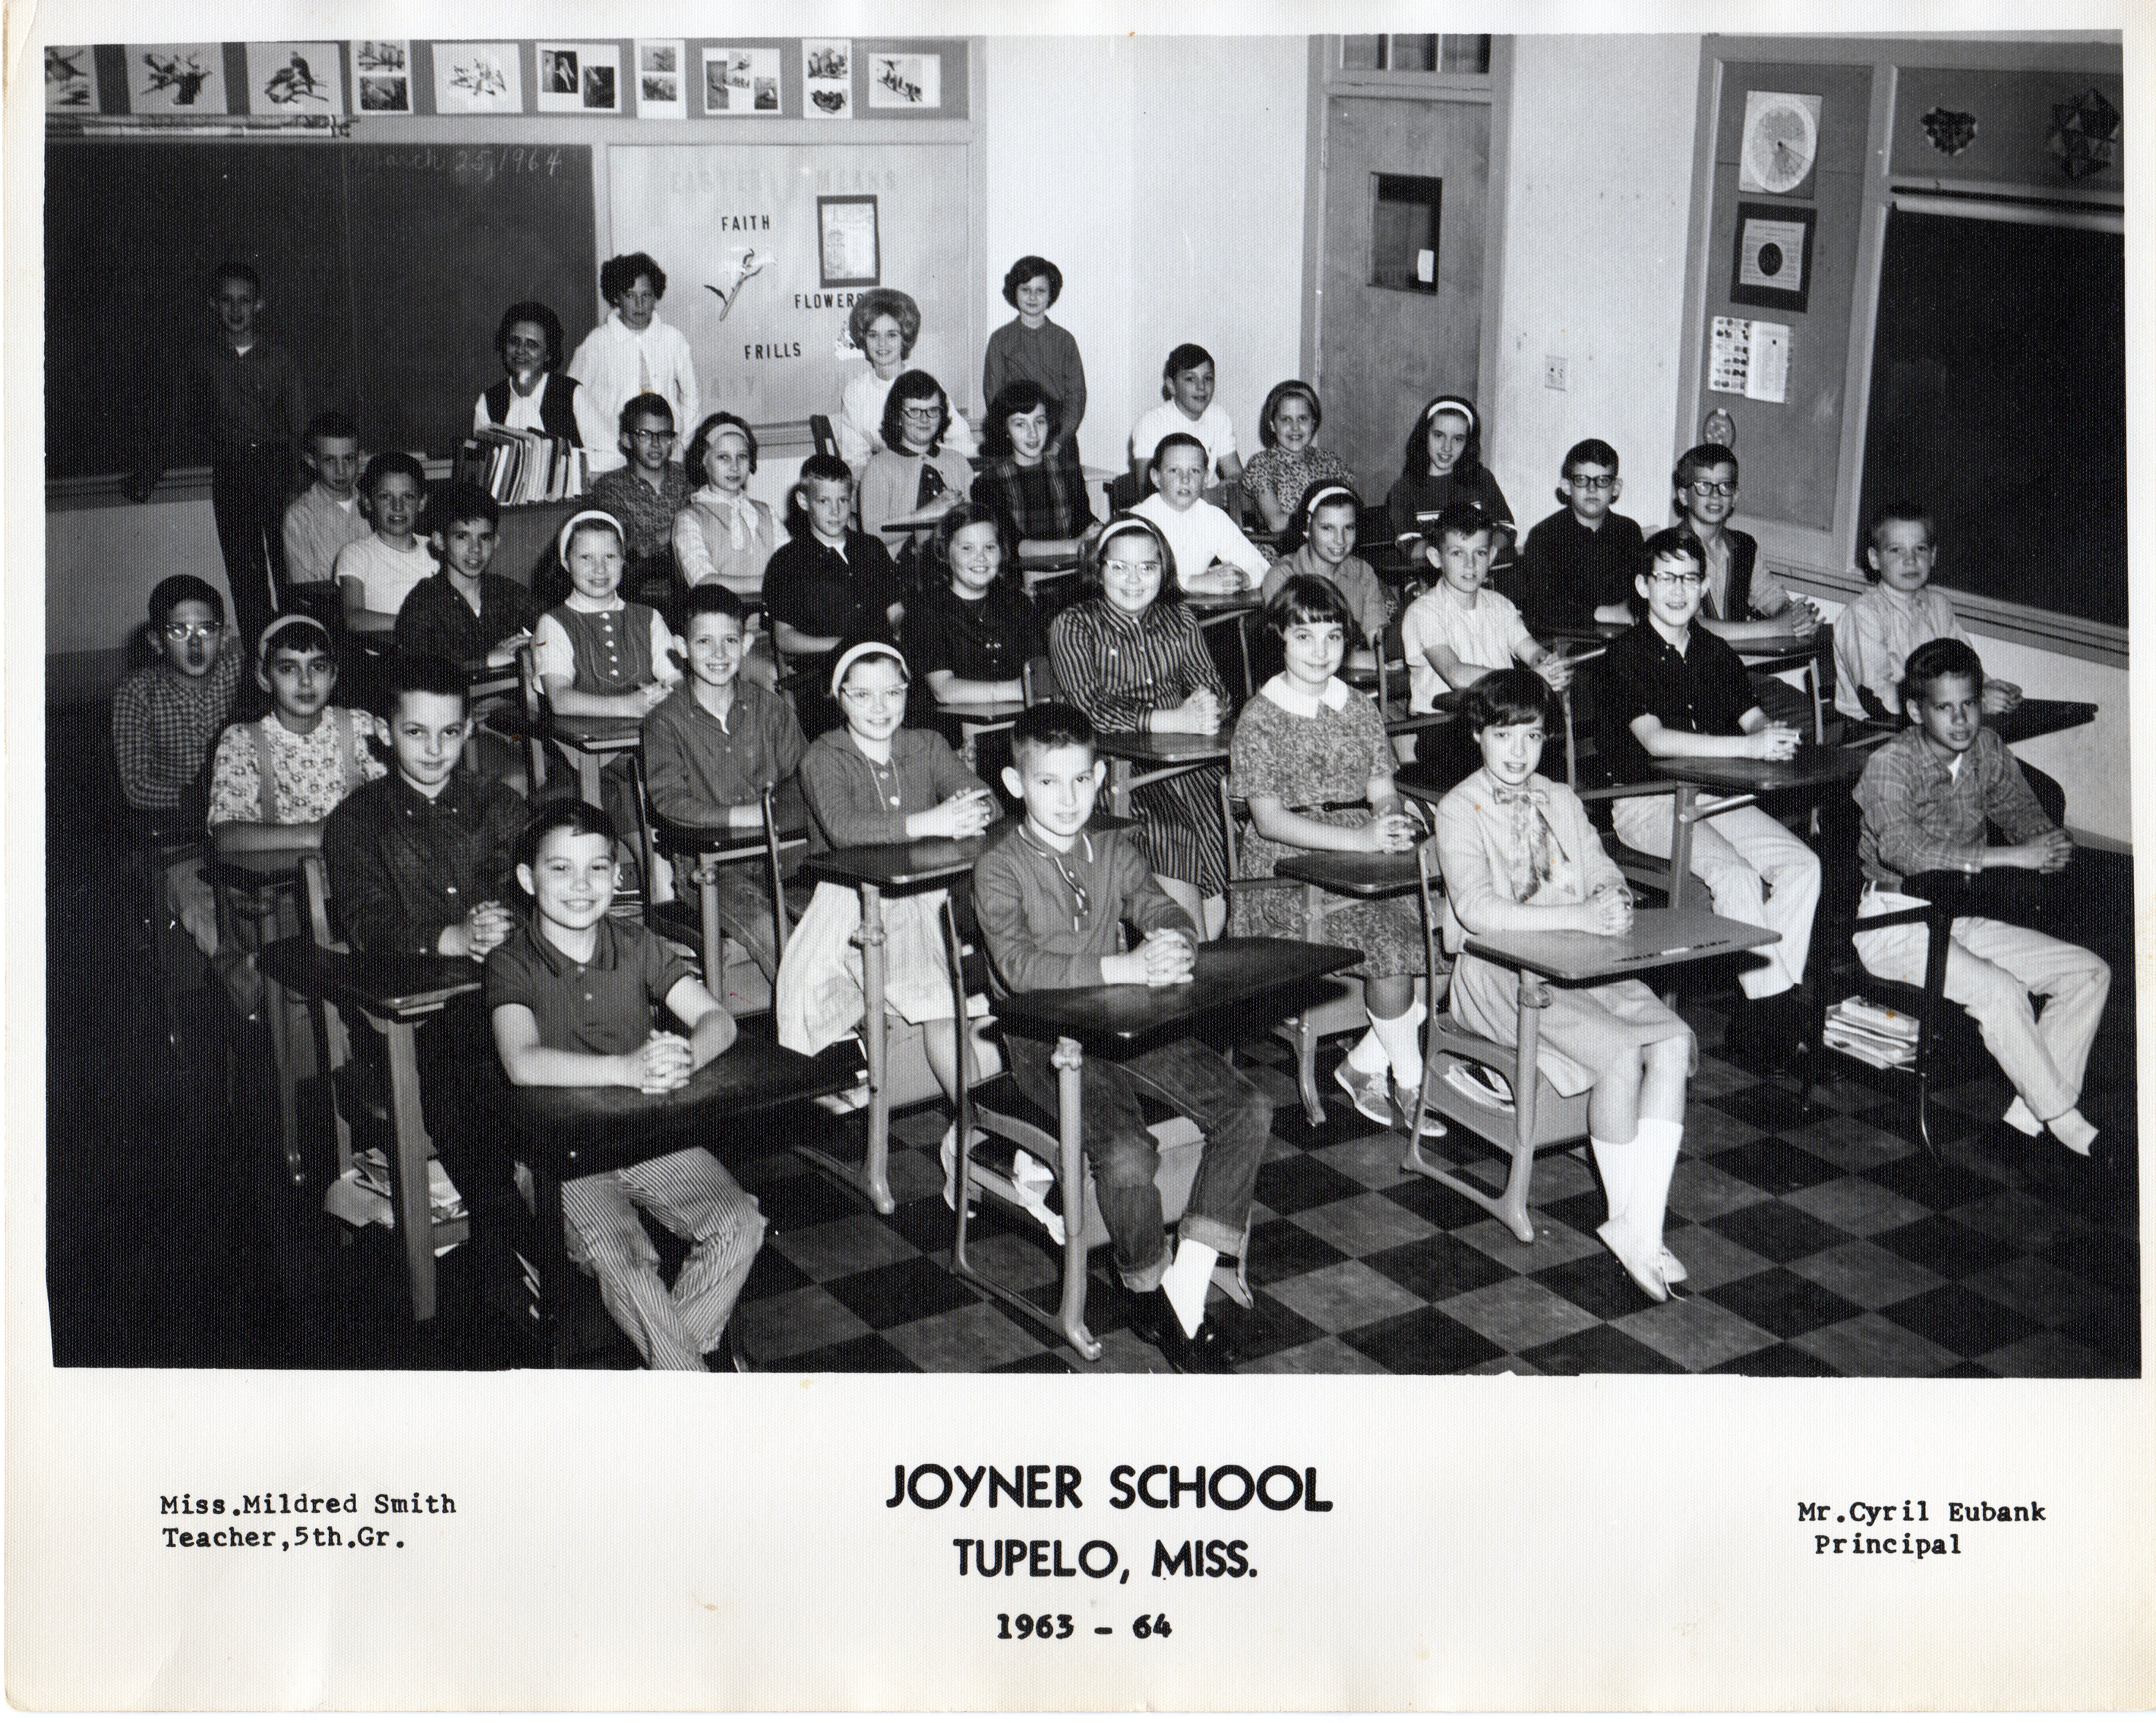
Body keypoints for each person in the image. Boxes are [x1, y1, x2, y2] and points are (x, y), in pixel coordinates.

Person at [974, 701, 1270, 1371]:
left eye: (1081, 780)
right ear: (1016, 784)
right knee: (1128, 1152)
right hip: (1042, 1039)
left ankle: (1182, 1287)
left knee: (1248, 1106)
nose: (1068, 798)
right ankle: (1142, 1281)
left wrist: (1171, 936)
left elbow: (1157, 902)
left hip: (1124, 1021)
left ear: (1101, 776)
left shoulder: (1111, 844)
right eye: (1048, 782)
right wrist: (1125, 965)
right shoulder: (998, 864)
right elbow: (1019, 970)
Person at [1436, 669, 1699, 1302]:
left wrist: (1609, 895)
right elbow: (1477, 910)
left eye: (1530, 735)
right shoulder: (1457, 807)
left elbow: (1600, 866)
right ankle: (1631, 1224)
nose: (1518, 751)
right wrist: (1577, 915)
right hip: (1500, 970)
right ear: (1478, 735)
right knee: (1616, 1052)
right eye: (1503, 735)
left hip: (1580, 958)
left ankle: (1640, 1223)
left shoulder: (1561, 798)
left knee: (1671, 1039)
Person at [486, 799, 765, 1371]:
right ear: (526, 878)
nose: (580, 885)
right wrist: (628, 1068)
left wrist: (686, 1054)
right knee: (622, 1255)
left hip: (645, 1134)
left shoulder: (637, 945)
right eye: (559, 868)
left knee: (740, 1222)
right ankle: (691, 1384)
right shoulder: (510, 962)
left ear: (618, 876)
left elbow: (720, 1020)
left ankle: (664, 1376)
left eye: (597, 868)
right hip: (557, 1154)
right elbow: (523, 1061)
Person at [1852, 638, 2107, 1160]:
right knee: (2000, 990)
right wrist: (2013, 857)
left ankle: (2025, 1123)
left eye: (1968, 704)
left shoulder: (1986, 748)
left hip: (1957, 918)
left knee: (2087, 972)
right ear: (1914, 710)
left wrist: (2049, 842)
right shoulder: (1889, 763)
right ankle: (2069, 1127)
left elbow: (2021, 812)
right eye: (1944, 708)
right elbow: (1907, 851)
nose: (1961, 720)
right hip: (1890, 923)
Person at [1599, 527, 1820, 1068]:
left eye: (1690, 578)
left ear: (1703, 588)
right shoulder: (1624, 655)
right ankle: (1774, 1020)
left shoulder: (1715, 651)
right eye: (1666, 578)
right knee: (1736, 875)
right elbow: (1655, 740)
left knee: (1803, 863)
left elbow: (1751, 716)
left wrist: (1773, 734)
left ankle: (1764, 1004)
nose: (1678, 590)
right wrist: (1748, 745)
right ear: (1643, 586)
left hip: (1718, 795)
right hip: (1647, 801)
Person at [1227, 575, 1432, 1127]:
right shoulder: (1261, 716)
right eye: (1304, 637)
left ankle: (1363, 1065)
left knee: (1445, 934)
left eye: (1333, 637)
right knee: (1391, 941)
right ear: (1281, 639)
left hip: (1359, 860)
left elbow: (1382, 788)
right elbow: (1269, 821)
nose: (1321, 652)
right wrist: (1363, 838)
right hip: (1285, 874)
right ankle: (1413, 1083)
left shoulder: (1358, 705)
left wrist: (1389, 819)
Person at [322, 652, 526, 1199]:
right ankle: (503, 1221)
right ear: (385, 733)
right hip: (414, 1015)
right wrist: (453, 937)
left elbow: (530, 889)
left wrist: (505, 918)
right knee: (468, 1069)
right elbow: (368, 923)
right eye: (416, 732)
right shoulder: (356, 821)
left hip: (509, 990)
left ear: (468, 730)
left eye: (450, 732)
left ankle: (564, 1203)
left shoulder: (500, 803)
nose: (435, 750)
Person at [775, 643, 1001, 1124]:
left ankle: (996, 1111)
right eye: (862, 695)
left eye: (892, 692)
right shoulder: (825, 755)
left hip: (934, 893)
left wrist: (972, 810)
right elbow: (845, 830)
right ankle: (977, 1129)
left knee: (996, 988)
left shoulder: (927, 744)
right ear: (839, 697)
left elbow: (987, 801)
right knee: (942, 1007)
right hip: (857, 902)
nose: (880, 708)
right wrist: (934, 820)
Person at [1048, 514, 1230, 932]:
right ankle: (1192, 950)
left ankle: (1207, 948)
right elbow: (1088, 712)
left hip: (1187, 763)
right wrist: (1172, 719)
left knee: (1219, 818)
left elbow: (1215, 689)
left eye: (1147, 568)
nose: (1134, 580)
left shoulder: (1180, 620)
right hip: (1117, 771)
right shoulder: (1075, 624)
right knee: (1171, 828)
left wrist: (1208, 707)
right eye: (1120, 567)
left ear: (1163, 570)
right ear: (1099, 569)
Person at [204, 615, 386, 1011]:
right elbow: (227, 834)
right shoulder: (243, 740)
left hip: (363, 889)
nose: (306, 683)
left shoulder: (358, 726)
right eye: (288, 669)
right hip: (286, 902)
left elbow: (392, 804)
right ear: (264, 677)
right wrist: (322, 832)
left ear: (334, 675)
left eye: (317, 667)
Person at [641, 585, 809, 984]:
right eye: (704, 642)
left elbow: (805, 779)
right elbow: (669, 802)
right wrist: (744, 815)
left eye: (730, 641)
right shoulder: (664, 722)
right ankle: (815, 1025)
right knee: (773, 930)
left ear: (747, 643)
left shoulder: (773, 710)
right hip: (708, 870)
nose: (719, 655)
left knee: (832, 917)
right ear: (681, 647)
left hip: (779, 856)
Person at [129, 261, 301, 646]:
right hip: (232, 473)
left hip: (275, 472)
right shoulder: (200, 360)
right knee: (245, 575)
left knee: (290, 570)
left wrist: (296, 488)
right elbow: (178, 422)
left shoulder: (280, 360)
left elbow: (296, 430)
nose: (236, 311)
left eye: (245, 301)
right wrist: (150, 472)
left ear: (259, 305)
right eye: (227, 301)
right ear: (213, 305)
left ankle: (295, 653)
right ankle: (261, 659)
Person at [111, 574, 244, 968]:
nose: (197, 642)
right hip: (180, 837)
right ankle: (254, 993)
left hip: (246, 832)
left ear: (224, 635)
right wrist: (210, 799)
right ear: (157, 641)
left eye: (207, 629)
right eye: (180, 631)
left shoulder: (241, 673)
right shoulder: (137, 692)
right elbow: (135, 786)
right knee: (209, 915)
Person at [1833, 503, 2022, 725]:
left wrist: (1988, 687)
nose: (1911, 560)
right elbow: (1878, 698)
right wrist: (1972, 702)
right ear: (1875, 559)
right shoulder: (1863, 614)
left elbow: (1964, 663)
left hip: (1933, 719)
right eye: (1896, 550)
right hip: (1876, 729)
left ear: (1933, 556)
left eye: (1920, 549)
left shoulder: (1939, 606)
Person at [762, 453, 905, 712]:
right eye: (824, 501)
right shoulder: (787, 562)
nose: (836, 512)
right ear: (804, 501)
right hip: (824, 677)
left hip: (884, 665)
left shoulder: (871, 548)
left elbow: (896, 613)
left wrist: (898, 636)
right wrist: (844, 645)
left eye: (843, 500)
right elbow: (784, 639)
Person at [1399, 502, 1574, 713]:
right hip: (1445, 723)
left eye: (1479, 553)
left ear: (1491, 556)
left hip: (1499, 718)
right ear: (1436, 558)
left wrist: (1548, 664)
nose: (1470, 564)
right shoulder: (1423, 612)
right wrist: (1527, 678)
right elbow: (1456, 674)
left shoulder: (1501, 605)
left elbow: (1532, 651)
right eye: (1457, 553)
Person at [904, 502, 1046, 709]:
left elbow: (1040, 673)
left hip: (1018, 721)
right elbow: (943, 691)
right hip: (952, 729)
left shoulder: (1019, 604)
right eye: (967, 548)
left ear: (1001, 551)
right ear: (946, 553)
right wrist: (1017, 690)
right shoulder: (926, 609)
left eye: (989, 547)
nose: (980, 558)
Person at [566, 253, 698, 474]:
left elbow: (691, 396)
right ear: (616, 297)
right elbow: (572, 398)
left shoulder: (673, 339)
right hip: (612, 461)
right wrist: (599, 446)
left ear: (656, 297)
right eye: (630, 296)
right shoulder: (597, 343)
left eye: (646, 296)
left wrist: (682, 441)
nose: (639, 305)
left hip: (663, 455)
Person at [393, 482, 538, 670]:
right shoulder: (424, 601)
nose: (476, 549)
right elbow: (417, 673)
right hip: (454, 698)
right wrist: (486, 662)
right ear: (439, 541)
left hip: (512, 696)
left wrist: (536, 642)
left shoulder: (508, 591)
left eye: (484, 538)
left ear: (496, 542)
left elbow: (559, 631)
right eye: (462, 537)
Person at [834, 288, 976, 477]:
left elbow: (962, 441)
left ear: (905, 338)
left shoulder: (925, 383)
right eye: (874, 335)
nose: (882, 344)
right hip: (885, 484)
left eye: (892, 335)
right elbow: (855, 461)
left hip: (934, 477)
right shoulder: (855, 393)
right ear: (864, 339)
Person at [1508, 437, 1646, 630]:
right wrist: (1601, 613)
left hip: (1623, 643)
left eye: (1603, 481)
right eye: (1581, 480)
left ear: (1616, 488)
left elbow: (1643, 594)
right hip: (1564, 643)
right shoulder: (1545, 535)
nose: (1592, 489)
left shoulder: (1629, 532)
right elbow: (1544, 606)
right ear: (1566, 486)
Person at [1260, 481, 1389, 673]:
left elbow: (1377, 635)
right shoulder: (1283, 576)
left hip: (1352, 678)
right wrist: (1356, 660)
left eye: (1349, 528)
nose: (1340, 540)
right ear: (1307, 529)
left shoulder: (1362, 572)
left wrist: (1387, 654)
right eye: (1327, 528)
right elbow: (1296, 651)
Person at [969, 379, 1099, 561]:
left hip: (1070, 576)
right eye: (1020, 424)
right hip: (1018, 581)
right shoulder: (987, 482)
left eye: (1039, 422)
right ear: (1005, 429)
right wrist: (1074, 544)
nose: (1033, 434)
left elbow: (1084, 525)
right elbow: (1012, 546)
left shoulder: (1069, 471)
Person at [588, 394, 692, 613]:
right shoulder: (610, 487)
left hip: (690, 592)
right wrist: (678, 533)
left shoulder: (689, 480)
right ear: (627, 440)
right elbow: (627, 549)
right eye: (645, 435)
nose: (656, 444)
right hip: (636, 597)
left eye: (664, 435)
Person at [1132, 433, 1270, 596]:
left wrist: (1243, 579)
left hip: (1194, 614)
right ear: (1156, 478)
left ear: (1206, 479)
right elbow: (1135, 577)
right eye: (1174, 470)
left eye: (1195, 471)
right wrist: (1195, 582)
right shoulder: (1139, 519)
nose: (1185, 479)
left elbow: (1262, 566)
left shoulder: (1212, 517)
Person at [859, 370, 973, 567]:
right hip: (901, 574)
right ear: (898, 417)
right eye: (914, 411)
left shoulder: (958, 462)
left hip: (958, 569)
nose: (925, 419)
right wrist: (925, 515)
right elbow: (872, 535)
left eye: (933, 410)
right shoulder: (879, 466)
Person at [980, 256, 1087, 464]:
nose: (1033, 297)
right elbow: (994, 395)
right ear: (1015, 292)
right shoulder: (1001, 339)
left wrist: (1057, 441)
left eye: (1041, 291)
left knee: (1066, 495)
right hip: (1016, 436)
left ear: (1051, 295)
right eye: (1025, 290)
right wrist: (1015, 437)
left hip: (1059, 434)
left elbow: (1077, 397)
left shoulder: (1064, 340)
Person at [1387, 394, 1512, 566]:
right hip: (1429, 580)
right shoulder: (1405, 488)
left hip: (1478, 573)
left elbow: (1507, 529)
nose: (1447, 447)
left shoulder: (1482, 478)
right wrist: (1456, 555)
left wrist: (1484, 551)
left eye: (1458, 439)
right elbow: (1411, 547)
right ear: (1425, 436)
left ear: (1468, 443)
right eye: (1439, 436)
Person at [672, 410, 783, 604]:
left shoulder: (766, 513)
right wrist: (771, 583)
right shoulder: (689, 518)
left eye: (742, 457)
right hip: (719, 619)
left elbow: (792, 566)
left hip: (772, 616)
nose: (735, 467)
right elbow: (704, 581)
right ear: (704, 461)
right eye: (723, 457)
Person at [473, 300, 607, 453]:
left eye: (532, 345)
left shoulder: (571, 393)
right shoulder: (489, 401)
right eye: (514, 342)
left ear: (548, 354)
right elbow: (482, 461)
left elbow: (611, 454)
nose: (521, 351)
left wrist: (570, 465)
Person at [334, 452, 435, 631]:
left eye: (408, 496)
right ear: (368, 503)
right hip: (386, 654)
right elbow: (353, 619)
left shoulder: (436, 548)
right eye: (385, 497)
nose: (398, 507)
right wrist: (416, 624)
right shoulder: (357, 554)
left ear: (422, 503)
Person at [1239, 380, 1352, 535]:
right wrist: (1319, 522)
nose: (1295, 427)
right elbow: (1276, 523)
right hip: (1284, 547)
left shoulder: (1330, 461)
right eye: (1286, 420)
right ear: (1273, 425)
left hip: (1333, 543)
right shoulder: (1262, 464)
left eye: (1303, 419)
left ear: (1314, 422)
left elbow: (1353, 510)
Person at [280, 411, 371, 599]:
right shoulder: (300, 517)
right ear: (312, 461)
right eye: (329, 460)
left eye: (349, 459)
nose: (341, 470)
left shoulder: (375, 505)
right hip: (330, 614)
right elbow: (304, 592)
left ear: (361, 457)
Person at [1128, 343, 1242, 491]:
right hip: (1168, 511)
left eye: (1208, 379)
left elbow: (1235, 474)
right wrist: (1208, 499)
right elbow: (1148, 491)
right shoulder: (1152, 424)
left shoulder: (1218, 416)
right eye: (1190, 379)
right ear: (1172, 386)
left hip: (1210, 510)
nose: (1201, 387)